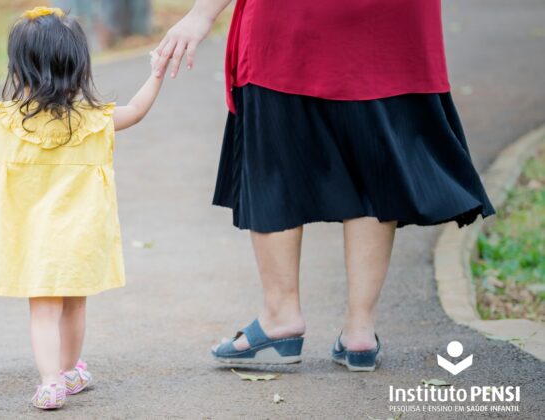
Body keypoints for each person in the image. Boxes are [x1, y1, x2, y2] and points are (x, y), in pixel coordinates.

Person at [157, 0, 494, 371]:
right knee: (372, 160)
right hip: (393, 19)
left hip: (294, 15)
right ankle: (360, 332)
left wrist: (201, 13)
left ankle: (280, 318)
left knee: (276, 161)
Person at [0, 6, 170, 409]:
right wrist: (155, 71)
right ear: (78, 67)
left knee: (43, 311)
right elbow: (135, 110)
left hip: (32, 240)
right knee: (74, 305)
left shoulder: (7, 121)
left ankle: (50, 382)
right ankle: (67, 372)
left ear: (20, 68)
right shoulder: (94, 120)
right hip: (81, 237)